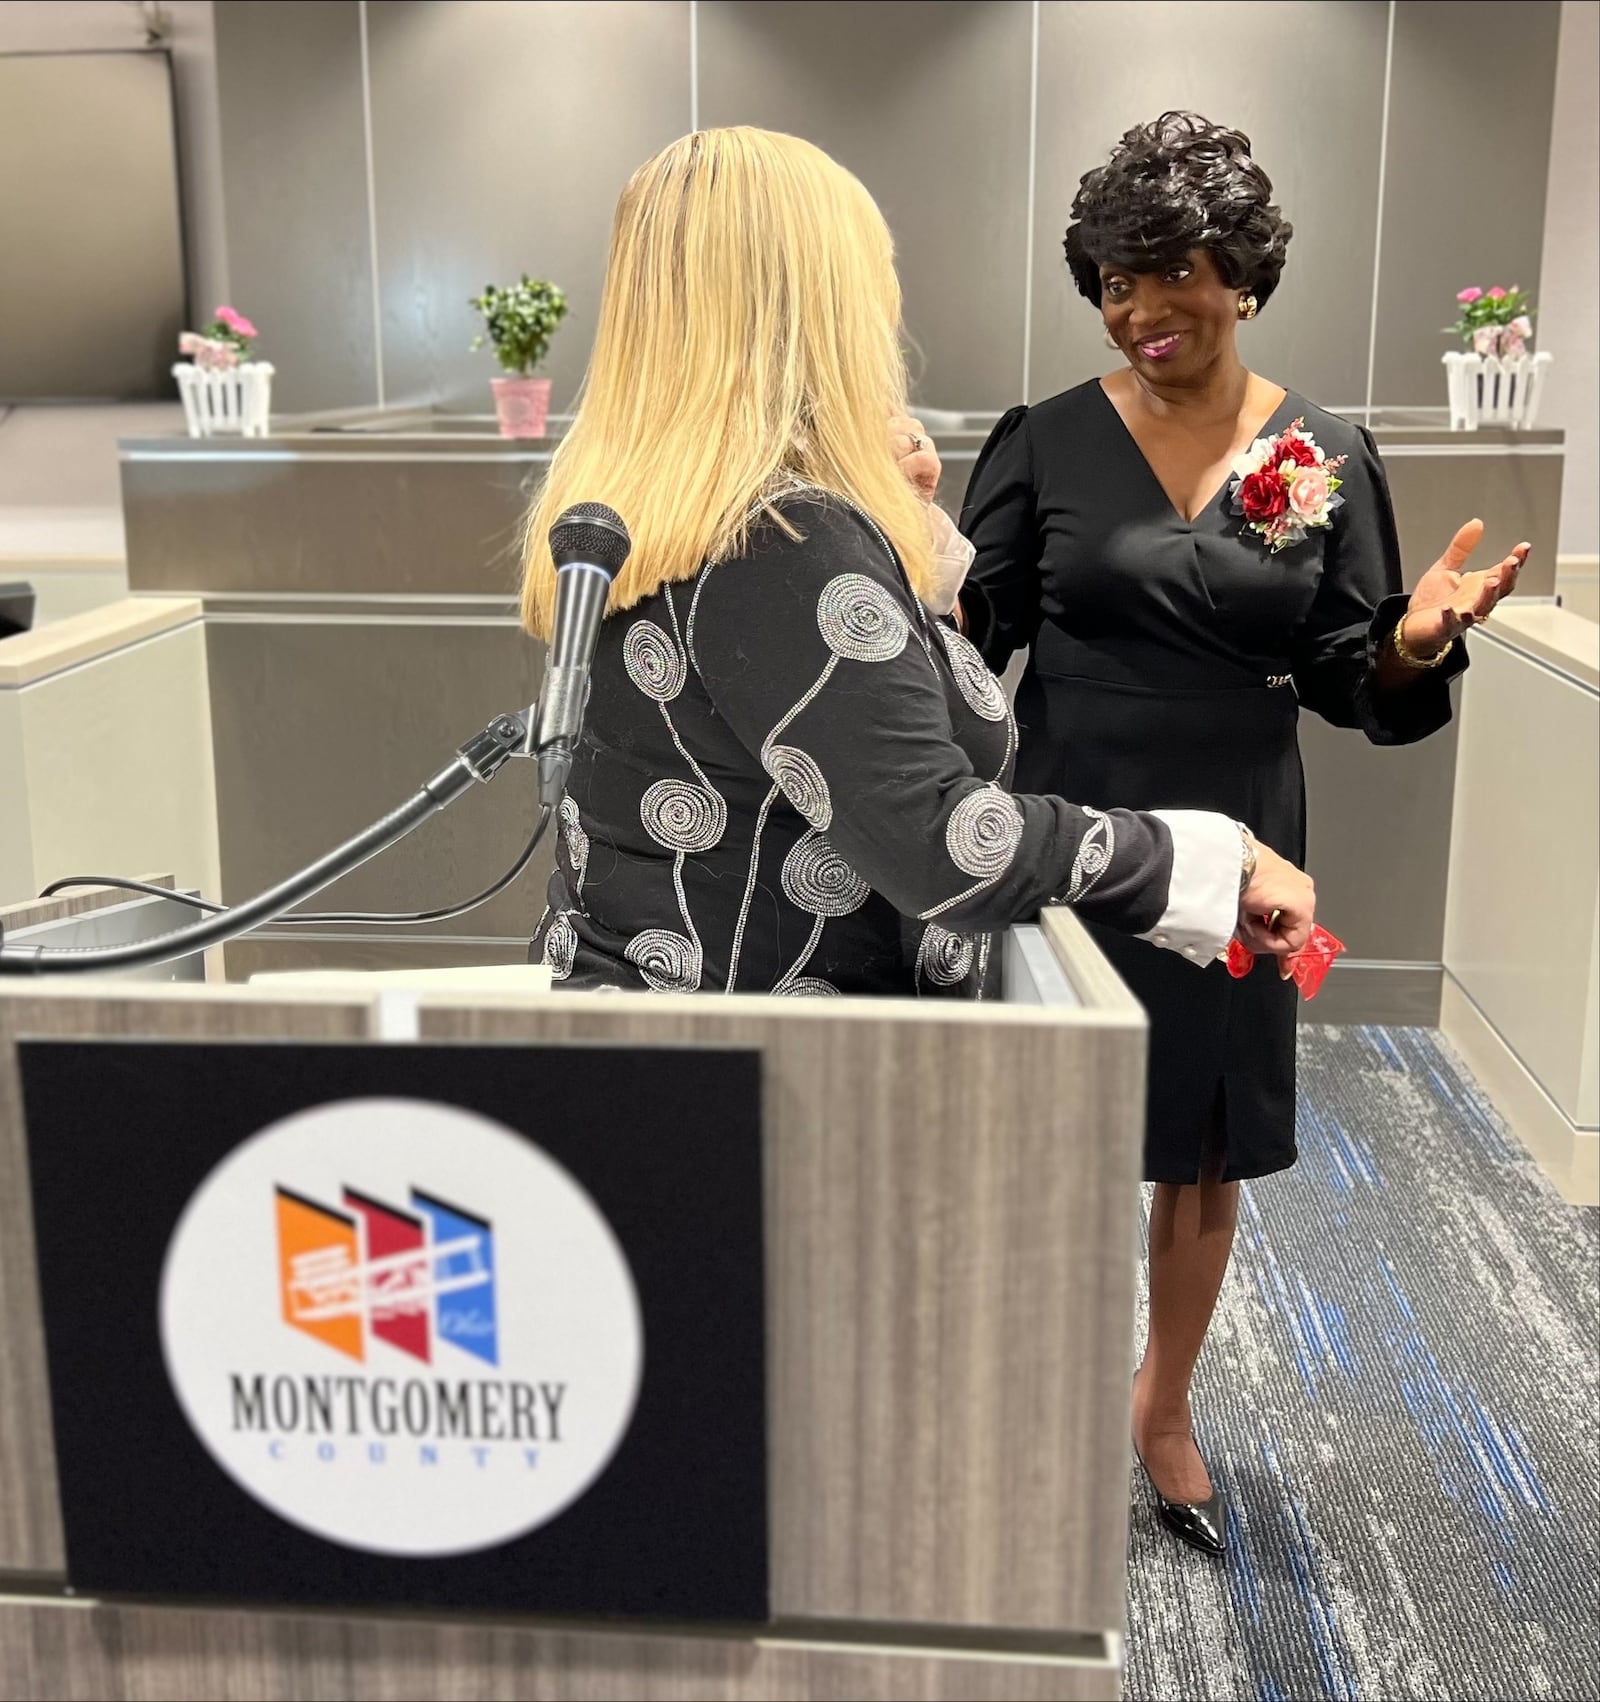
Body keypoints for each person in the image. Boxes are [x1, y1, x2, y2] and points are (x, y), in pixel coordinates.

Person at [957, 112, 1527, 1556]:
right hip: (1073, 819)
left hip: (1245, 830)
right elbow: (974, 649)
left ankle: (1163, 1405)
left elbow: (1352, 672)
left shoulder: (1322, 451)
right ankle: (1017, 1397)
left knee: (1197, 1143)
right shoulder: (1043, 441)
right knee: (1049, 1122)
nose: (1143, 309)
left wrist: (1406, 640)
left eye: (1174, 274)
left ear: (1246, 277)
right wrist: (917, 555)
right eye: (1114, 281)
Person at [522, 126, 1315, 1018]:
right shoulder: (780, 536)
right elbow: (941, 844)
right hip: (771, 1070)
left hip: (644, 1021)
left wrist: (889, 535)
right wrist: (1207, 859)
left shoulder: (661, 513)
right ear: (817, 305)